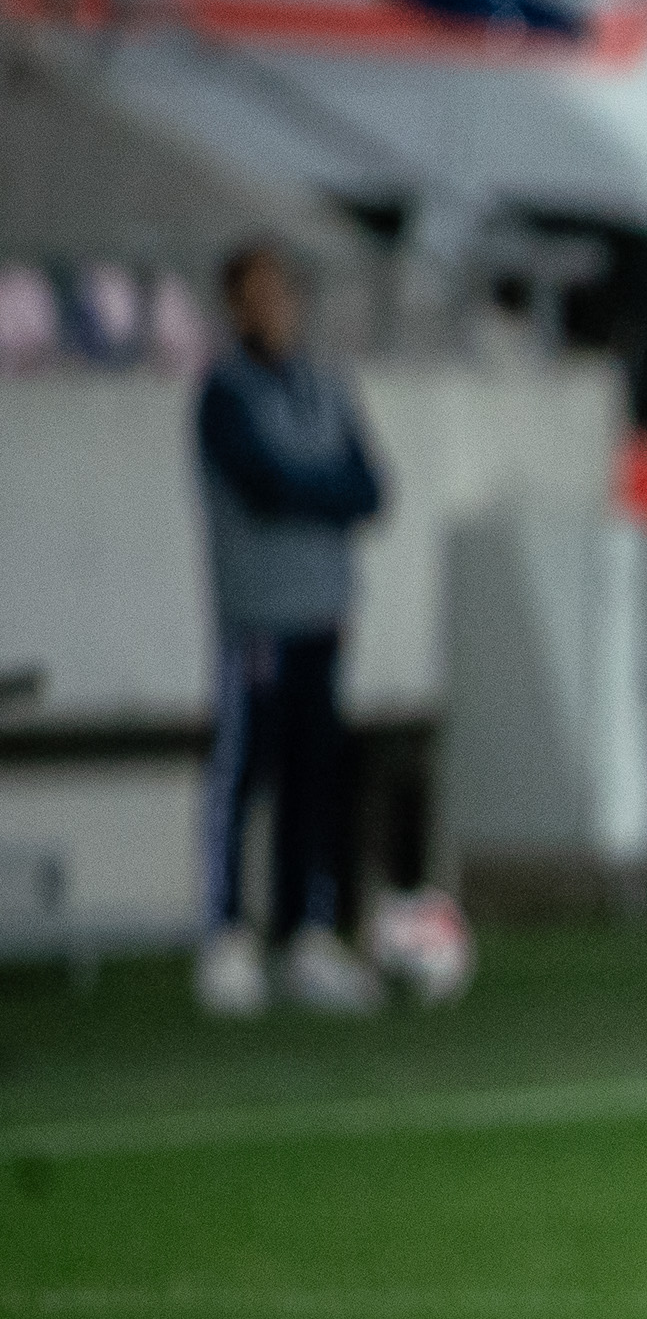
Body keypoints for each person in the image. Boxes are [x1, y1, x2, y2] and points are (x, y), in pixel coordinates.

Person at [192, 236, 388, 1018]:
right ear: (237, 307)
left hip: (322, 611)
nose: (276, 309)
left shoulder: (325, 386)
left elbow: (370, 487)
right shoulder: (224, 393)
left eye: (284, 293)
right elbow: (263, 484)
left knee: (316, 776)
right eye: (261, 295)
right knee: (245, 773)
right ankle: (226, 933)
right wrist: (321, 487)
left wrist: (312, 487)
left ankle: (307, 932)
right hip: (258, 617)